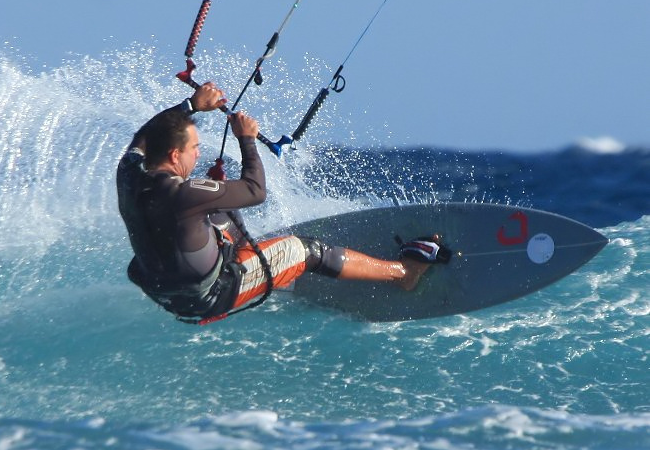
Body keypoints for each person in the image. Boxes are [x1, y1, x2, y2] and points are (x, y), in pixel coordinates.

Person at [116, 81, 447, 323]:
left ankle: (253, 262)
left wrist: (190, 106)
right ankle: (402, 273)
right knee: (305, 250)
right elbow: (255, 190)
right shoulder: (186, 194)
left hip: (163, 289)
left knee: (216, 208)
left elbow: (142, 137)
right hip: (206, 298)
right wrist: (246, 140)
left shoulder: (129, 176)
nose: (199, 152)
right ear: (175, 155)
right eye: (194, 148)